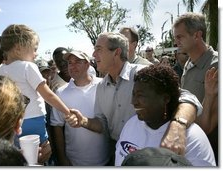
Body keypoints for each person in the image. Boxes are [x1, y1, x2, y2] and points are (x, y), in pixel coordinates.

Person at [66, 32, 202, 165]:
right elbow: (103, 123)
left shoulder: (143, 75)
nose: (94, 55)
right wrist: (83, 121)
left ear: (116, 52)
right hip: (117, 152)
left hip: (151, 155)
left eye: (98, 50)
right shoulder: (101, 86)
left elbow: (187, 97)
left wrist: (178, 126)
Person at [0, 24, 72, 164]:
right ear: (18, 48)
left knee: (22, 159)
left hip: (12, 124)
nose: (36, 54)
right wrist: (67, 112)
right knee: (41, 156)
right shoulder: (28, 67)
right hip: (34, 121)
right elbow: (48, 95)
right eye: (34, 49)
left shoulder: (0, 71)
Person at [115, 64, 215, 166]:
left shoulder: (192, 137)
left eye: (140, 95)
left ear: (165, 99)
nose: (133, 102)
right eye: (134, 94)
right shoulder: (131, 124)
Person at [173, 12, 218, 164]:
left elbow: (209, 124)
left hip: (209, 150)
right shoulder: (188, 63)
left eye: (180, 37)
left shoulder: (216, 66)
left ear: (197, 36)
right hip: (189, 144)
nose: (176, 41)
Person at [50, 50, 109, 166]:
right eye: (70, 63)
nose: (72, 66)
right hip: (74, 162)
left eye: (77, 62)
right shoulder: (61, 93)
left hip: (105, 160)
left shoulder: (103, 86)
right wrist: (62, 158)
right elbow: (57, 126)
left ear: (87, 64)